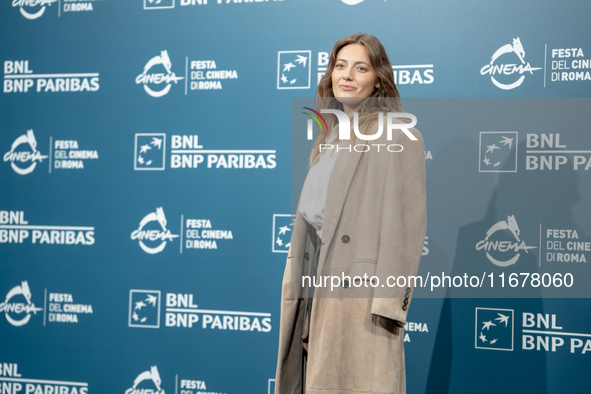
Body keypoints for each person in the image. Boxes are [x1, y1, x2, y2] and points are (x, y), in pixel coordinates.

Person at [274, 33, 427, 394]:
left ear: (379, 80)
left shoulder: (399, 134)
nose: (346, 75)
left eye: (360, 68)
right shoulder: (329, 139)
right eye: (340, 66)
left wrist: (388, 307)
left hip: (363, 304)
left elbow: (406, 227)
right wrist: (309, 311)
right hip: (319, 292)